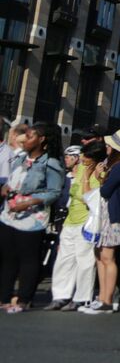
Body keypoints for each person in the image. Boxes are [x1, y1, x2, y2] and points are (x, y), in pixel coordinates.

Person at [0, 122, 64, 312]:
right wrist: (5, 189)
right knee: (6, 257)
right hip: (9, 214)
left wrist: (29, 202)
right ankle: (4, 297)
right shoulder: (20, 159)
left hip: (31, 219)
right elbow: (13, 180)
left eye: (29, 137)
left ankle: (23, 299)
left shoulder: (50, 163)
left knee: (28, 259)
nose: (25, 141)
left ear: (41, 140)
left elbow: (54, 192)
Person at [81, 128, 120, 314]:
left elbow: (105, 191)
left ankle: (107, 300)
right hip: (108, 215)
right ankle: (102, 298)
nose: (106, 147)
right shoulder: (118, 166)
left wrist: (98, 177)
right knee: (100, 256)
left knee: (107, 257)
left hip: (115, 217)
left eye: (109, 145)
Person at [46, 140, 104, 311]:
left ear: (96, 159)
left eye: (87, 157)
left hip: (87, 222)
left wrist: (87, 176)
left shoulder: (99, 174)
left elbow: (91, 198)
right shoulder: (77, 170)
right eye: (83, 155)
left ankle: (81, 297)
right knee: (64, 259)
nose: (83, 159)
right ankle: (60, 296)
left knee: (84, 261)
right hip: (70, 220)